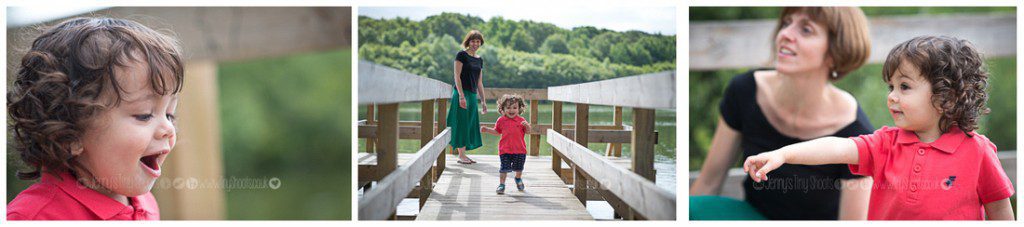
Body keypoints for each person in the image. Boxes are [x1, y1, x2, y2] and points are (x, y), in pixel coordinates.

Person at [743, 36, 1015, 220]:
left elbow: (1000, 209)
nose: (892, 96)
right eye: (891, 87)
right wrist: (784, 154)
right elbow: (838, 146)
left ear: (947, 97)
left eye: (904, 87)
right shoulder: (885, 143)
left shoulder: (977, 151)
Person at [690, 7, 874, 220]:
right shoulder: (745, 90)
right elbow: (709, 183)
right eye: (786, 23)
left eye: (806, 30)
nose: (785, 34)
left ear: (835, 53)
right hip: (752, 216)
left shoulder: (857, 132)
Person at [7, 17, 184, 220]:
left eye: (170, 114)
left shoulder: (146, 204)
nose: (168, 129)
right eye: (144, 115)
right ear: (71, 136)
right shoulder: (34, 217)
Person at [448, 30, 488, 164]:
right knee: (461, 123)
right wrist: (461, 96)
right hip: (462, 93)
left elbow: (479, 82)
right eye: (473, 41)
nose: (475, 44)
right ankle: (461, 155)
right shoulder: (461, 55)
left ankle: (463, 154)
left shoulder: (479, 59)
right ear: (468, 42)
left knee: (469, 124)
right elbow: (456, 76)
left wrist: (483, 100)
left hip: (472, 95)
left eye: (478, 41)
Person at [481, 94, 531, 194]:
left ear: (519, 108)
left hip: (519, 150)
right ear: (502, 108)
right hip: (505, 150)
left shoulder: (522, 121)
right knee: (504, 168)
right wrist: (487, 130)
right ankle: (502, 184)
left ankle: (518, 178)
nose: (511, 110)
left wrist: (527, 126)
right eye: (508, 108)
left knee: (519, 168)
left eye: (514, 108)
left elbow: (528, 132)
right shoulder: (501, 120)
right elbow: (497, 131)